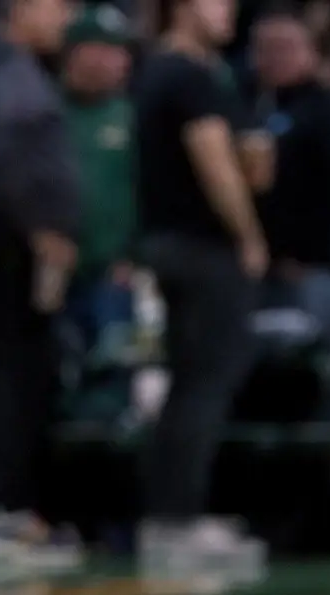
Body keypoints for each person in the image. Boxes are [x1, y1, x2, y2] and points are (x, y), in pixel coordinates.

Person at [0, 0, 82, 567]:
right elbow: (16, 147)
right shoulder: (8, 69)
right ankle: (7, 515)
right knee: (17, 375)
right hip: (6, 239)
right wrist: (45, 230)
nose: (66, 16)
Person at [134, 0, 266, 564]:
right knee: (204, 384)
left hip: (165, 246)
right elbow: (218, 165)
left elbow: (256, 166)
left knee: (186, 384)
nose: (229, 11)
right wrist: (249, 235)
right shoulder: (190, 76)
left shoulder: (161, 71)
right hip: (202, 250)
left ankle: (168, 517)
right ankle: (179, 522)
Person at [249, 4, 330, 342]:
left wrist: (305, 257)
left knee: (310, 353)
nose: (274, 59)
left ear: (311, 52)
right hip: (263, 267)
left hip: (312, 268)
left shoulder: (329, 108)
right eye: (265, 49)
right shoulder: (253, 105)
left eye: (285, 48)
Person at [61, 5, 139, 361]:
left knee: (116, 364)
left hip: (114, 274)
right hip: (56, 272)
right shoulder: (46, 110)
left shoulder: (132, 115)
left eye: (120, 52)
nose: (116, 61)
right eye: (104, 50)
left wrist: (134, 257)